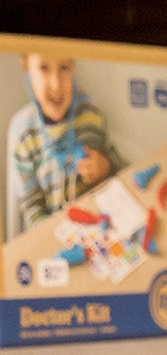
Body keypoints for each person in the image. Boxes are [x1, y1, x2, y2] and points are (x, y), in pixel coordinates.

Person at [4, 51, 120, 238]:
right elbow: (32, 209)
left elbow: (115, 169)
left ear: (73, 66)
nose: (56, 84)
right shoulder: (24, 136)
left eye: (64, 67)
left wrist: (105, 167)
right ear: (26, 67)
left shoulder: (91, 115)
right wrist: (58, 236)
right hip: (52, 236)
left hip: (96, 229)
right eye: (44, 68)